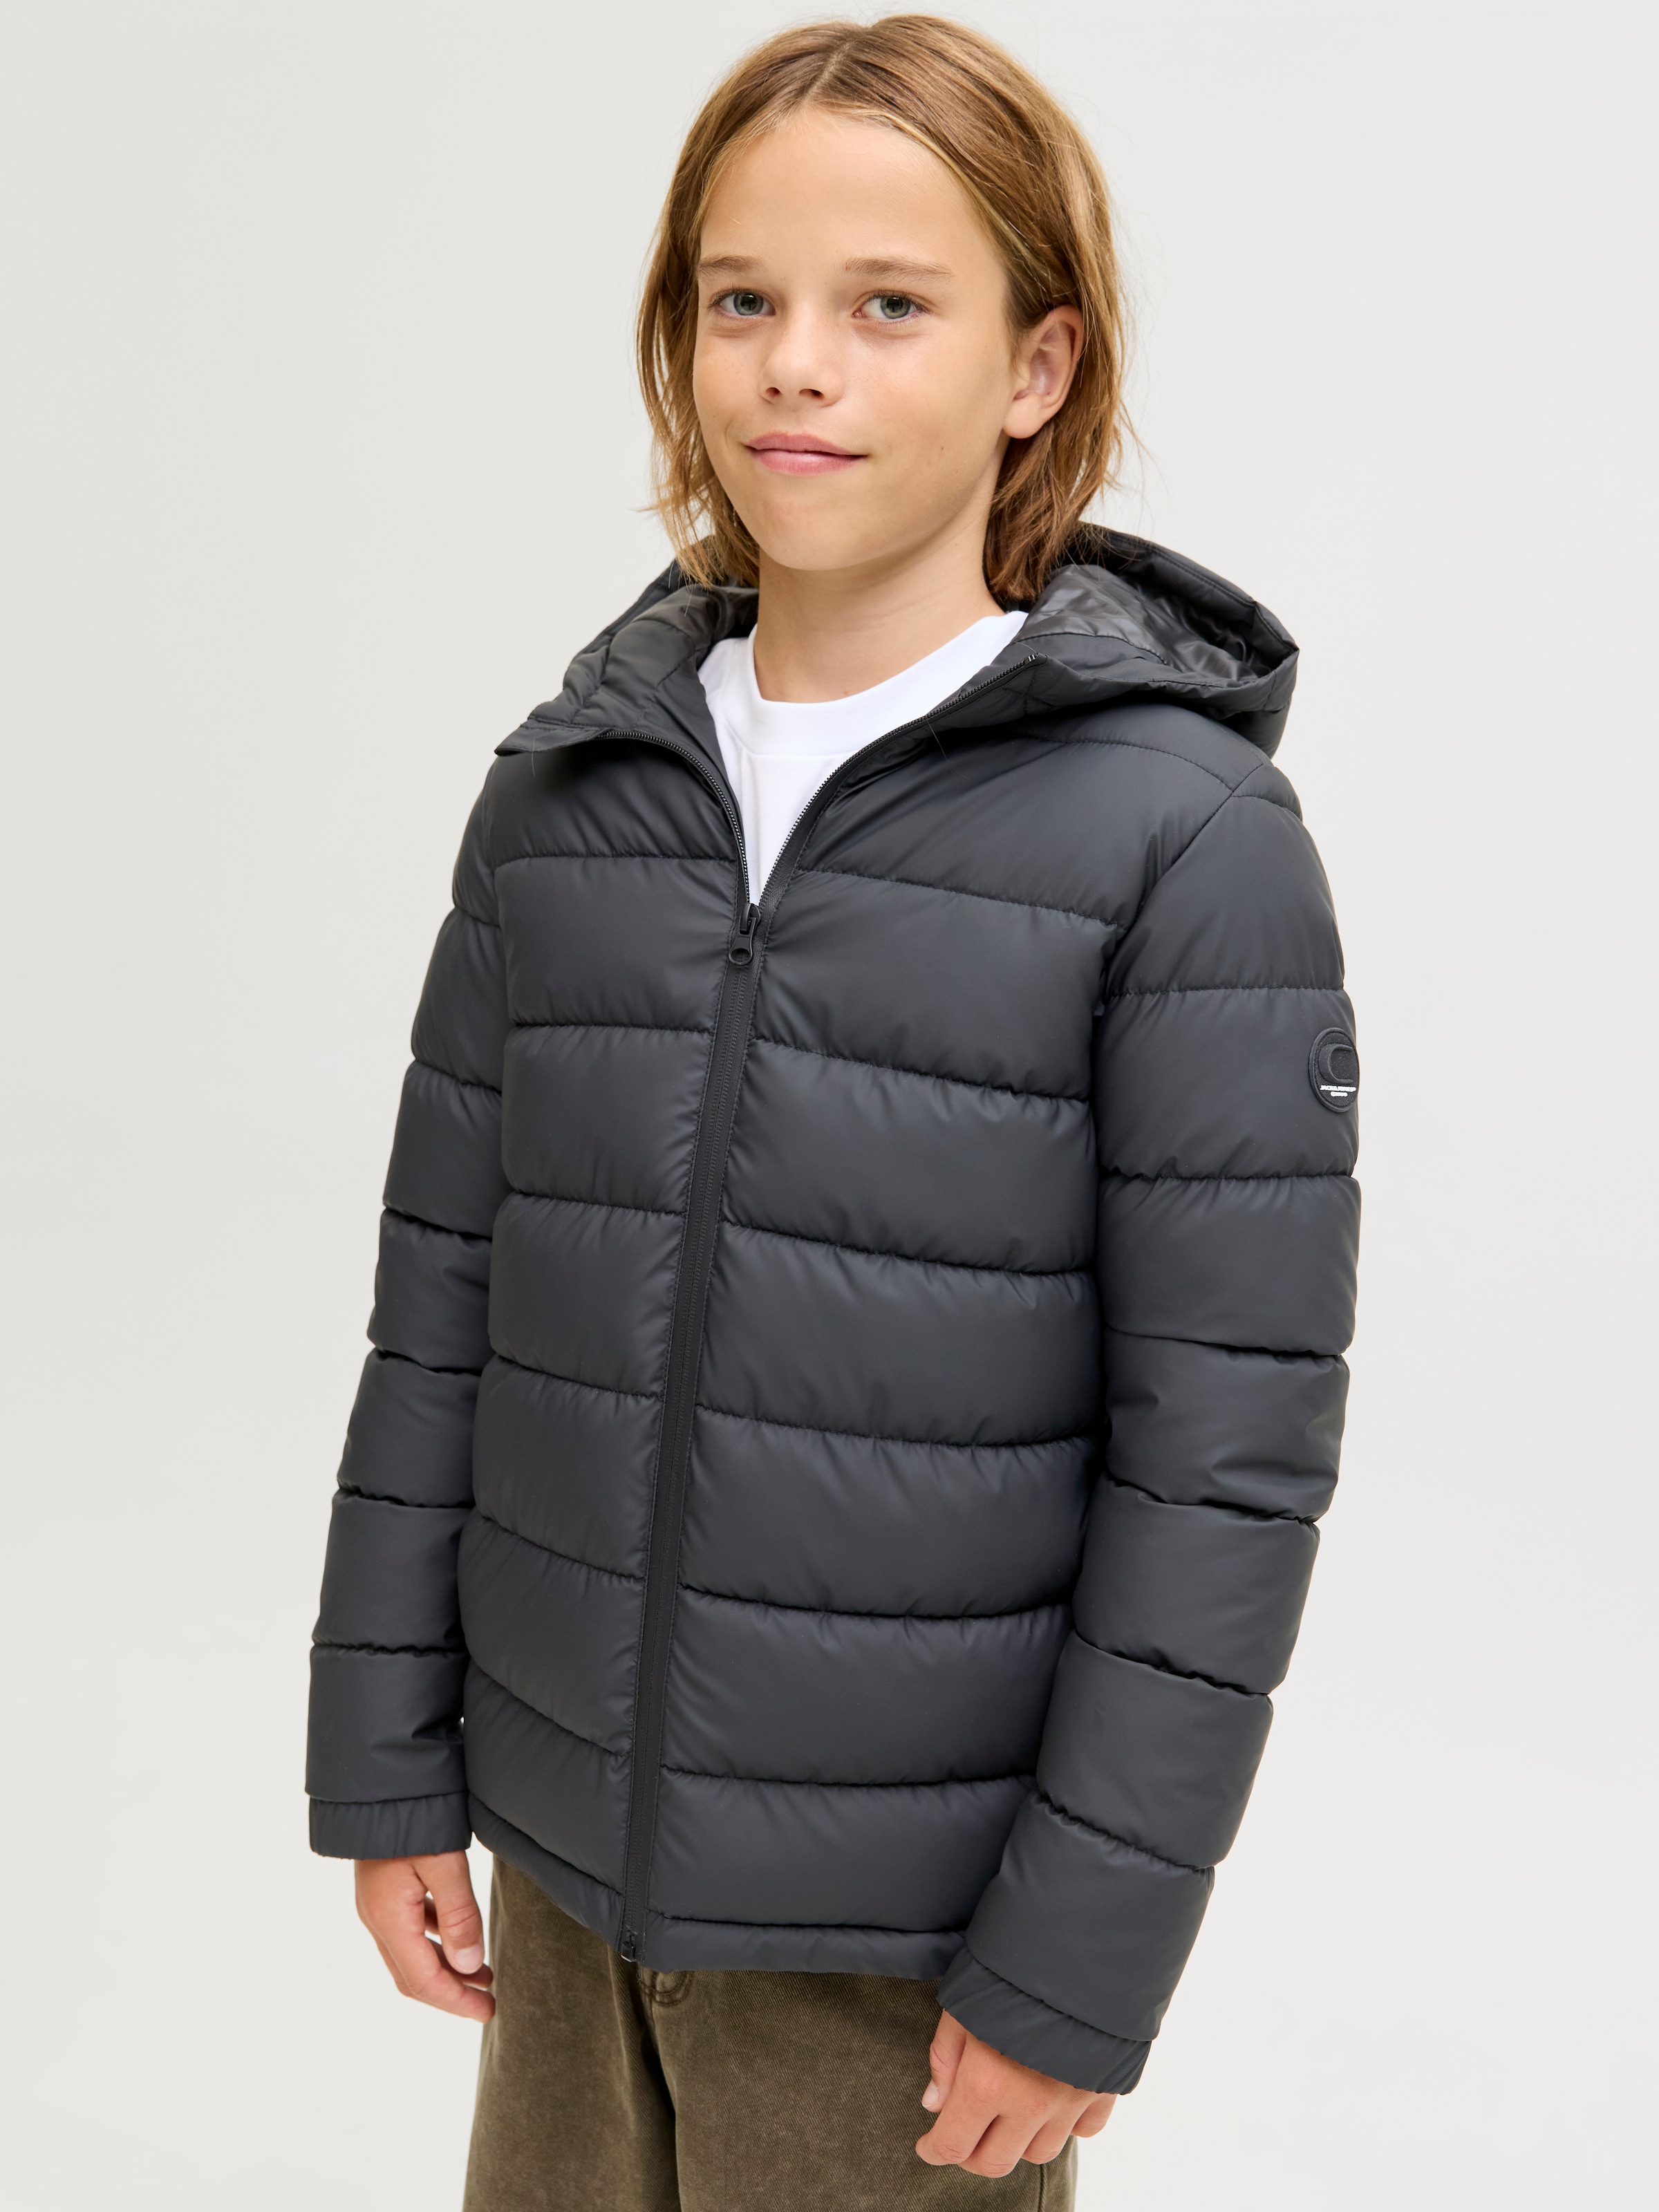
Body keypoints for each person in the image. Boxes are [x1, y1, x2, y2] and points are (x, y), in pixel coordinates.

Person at [305, 15, 1360, 2207]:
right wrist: (387, 1761)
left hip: (909, 1953)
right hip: (565, 1885)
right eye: (741, 299)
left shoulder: (1182, 842)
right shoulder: (570, 799)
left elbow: (1222, 1460)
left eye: (890, 306)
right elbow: (442, 1312)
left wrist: (1082, 1960)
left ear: (1038, 367)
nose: (798, 365)